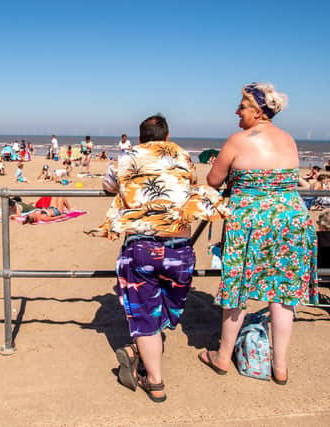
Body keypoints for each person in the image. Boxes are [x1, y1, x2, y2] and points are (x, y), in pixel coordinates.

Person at [86, 115, 228, 402]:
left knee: (144, 314)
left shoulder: (126, 158)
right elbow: (191, 184)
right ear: (167, 137)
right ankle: (143, 352)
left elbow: (109, 186)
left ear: (140, 138)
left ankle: (153, 377)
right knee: (169, 307)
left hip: (140, 247)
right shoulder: (184, 156)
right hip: (179, 247)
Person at [200, 82, 318, 385]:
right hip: (292, 220)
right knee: (283, 294)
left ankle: (223, 357)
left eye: (242, 105)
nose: (236, 111)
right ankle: (280, 367)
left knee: (237, 289)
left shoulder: (239, 140)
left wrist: (220, 168)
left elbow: (213, 180)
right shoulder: (289, 140)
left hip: (251, 222)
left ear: (259, 111)